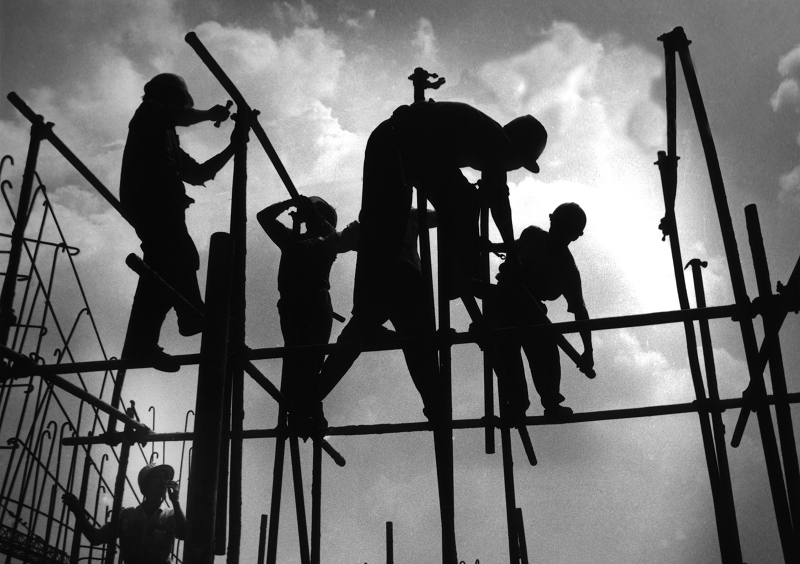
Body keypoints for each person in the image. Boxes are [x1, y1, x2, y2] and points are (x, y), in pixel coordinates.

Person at [326, 100, 548, 417]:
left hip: (408, 143)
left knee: (452, 205)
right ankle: (454, 281)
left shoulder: (488, 139)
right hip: (400, 142)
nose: (512, 169)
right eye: (519, 164)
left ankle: (452, 281)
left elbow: (485, 196)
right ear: (516, 149)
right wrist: (511, 250)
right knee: (399, 223)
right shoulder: (496, 144)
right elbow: (498, 201)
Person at [119, 73, 240, 372]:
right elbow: (177, 116)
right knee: (180, 255)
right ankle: (191, 314)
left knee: (162, 268)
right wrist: (210, 114)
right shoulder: (149, 113)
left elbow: (199, 174)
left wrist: (233, 147)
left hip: (161, 204)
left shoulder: (167, 135)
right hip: (152, 202)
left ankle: (144, 342)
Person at [257, 196, 358, 437]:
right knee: (297, 364)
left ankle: (312, 414)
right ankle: (302, 414)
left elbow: (335, 235)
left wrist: (309, 209)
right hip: (291, 307)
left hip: (314, 305)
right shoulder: (291, 239)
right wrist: (288, 202)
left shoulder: (330, 240)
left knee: (308, 362)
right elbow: (264, 217)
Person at [490, 203, 594, 419]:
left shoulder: (567, 270)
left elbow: (580, 312)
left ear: (574, 236)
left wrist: (588, 351)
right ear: (551, 222)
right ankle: (517, 403)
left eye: (566, 231)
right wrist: (490, 247)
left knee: (546, 349)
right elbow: (513, 246)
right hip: (504, 305)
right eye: (558, 226)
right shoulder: (532, 236)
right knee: (508, 359)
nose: (559, 233)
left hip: (533, 313)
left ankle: (551, 401)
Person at [62, 463, 185, 564]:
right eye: (158, 478)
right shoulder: (127, 516)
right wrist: (77, 511)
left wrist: (175, 502)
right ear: (146, 486)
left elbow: (184, 534)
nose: (163, 483)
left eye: (165, 479)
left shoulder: (170, 516)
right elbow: (96, 537)